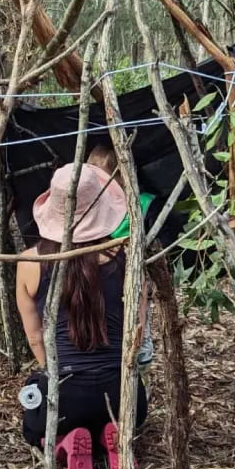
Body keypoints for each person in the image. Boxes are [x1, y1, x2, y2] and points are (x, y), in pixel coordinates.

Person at [16, 162, 148, 469]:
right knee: (122, 408)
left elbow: (35, 337)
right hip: (123, 396)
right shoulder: (128, 258)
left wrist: (60, 375)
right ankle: (113, 439)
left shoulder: (30, 262)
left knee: (33, 421)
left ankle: (63, 441)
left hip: (65, 397)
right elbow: (137, 333)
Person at [85, 144, 155, 371]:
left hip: (130, 273)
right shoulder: (88, 205)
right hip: (95, 275)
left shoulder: (143, 204)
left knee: (136, 311)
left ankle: (140, 346)